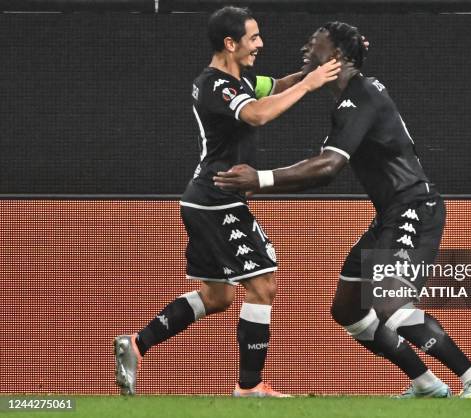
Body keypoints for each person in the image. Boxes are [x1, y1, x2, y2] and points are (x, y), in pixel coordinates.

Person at [214, 21, 471, 399]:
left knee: (390, 302)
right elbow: (317, 168)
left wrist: (261, 179)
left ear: (336, 57)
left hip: (414, 209)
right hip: (390, 214)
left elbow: (327, 168)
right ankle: (426, 384)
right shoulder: (353, 95)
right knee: (347, 308)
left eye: (313, 46)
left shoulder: (361, 95)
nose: (305, 50)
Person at [113, 6, 340, 398]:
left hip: (205, 199)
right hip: (218, 198)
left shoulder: (239, 78)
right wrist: (309, 85)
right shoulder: (218, 85)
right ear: (230, 43)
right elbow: (256, 114)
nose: (260, 44)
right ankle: (250, 387)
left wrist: (314, 69)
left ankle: (135, 344)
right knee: (263, 285)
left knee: (218, 296)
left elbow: (276, 85)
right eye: (253, 38)